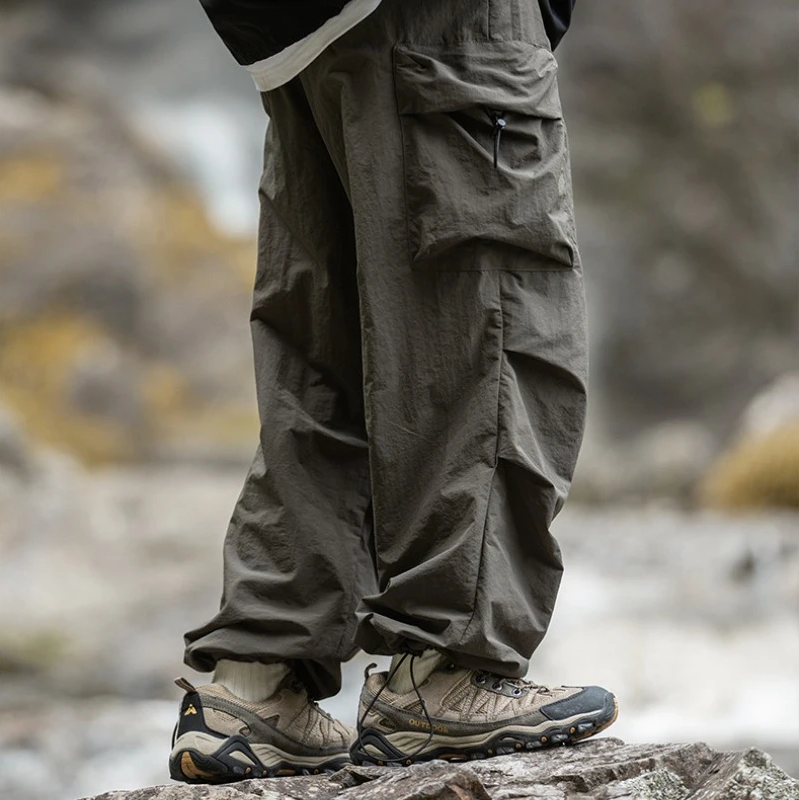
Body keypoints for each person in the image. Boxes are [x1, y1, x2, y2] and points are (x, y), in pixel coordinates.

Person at [169, 0, 617, 784]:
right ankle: (444, 673)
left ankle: (254, 683)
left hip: (294, 28)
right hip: (435, 15)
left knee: (330, 350)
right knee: (492, 318)